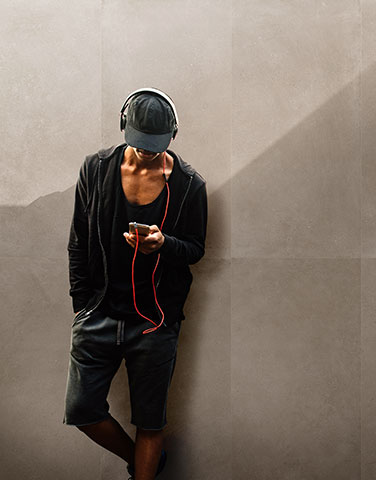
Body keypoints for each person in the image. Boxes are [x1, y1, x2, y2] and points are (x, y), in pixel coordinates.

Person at [63, 87, 207, 480]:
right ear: (124, 128)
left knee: (150, 420)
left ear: (173, 136)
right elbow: (78, 240)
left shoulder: (190, 185)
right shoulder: (95, 169)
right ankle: (144, 462)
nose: (147, 152)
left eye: (156, 146)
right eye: (141, 145)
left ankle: (143, 470)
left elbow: (195, 248)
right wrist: (82, 305)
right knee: (82, 410)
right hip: (99, 315)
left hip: (156, 323)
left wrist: (164, 244)